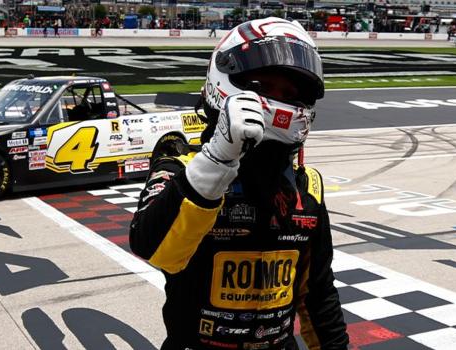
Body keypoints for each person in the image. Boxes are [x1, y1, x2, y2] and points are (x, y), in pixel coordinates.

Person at [130, 17, 349, 350]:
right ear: (226, 83)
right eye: (262, 87)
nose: (279, 102)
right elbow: (154, 250)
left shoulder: (308, 188)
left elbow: (318, 294)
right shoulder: (180, 167)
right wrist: (217, 159)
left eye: (290, 94)